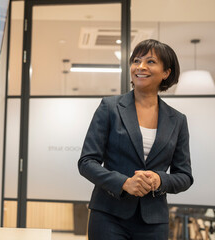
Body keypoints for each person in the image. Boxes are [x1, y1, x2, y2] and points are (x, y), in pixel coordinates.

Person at [78, 39, 193, 240]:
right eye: (136, 60)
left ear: (166, 72)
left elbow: (184, 176)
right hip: (108, 215)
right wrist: (123, 183)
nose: (140, 67)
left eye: (150, 62)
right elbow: (87, 162)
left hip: (154, 221)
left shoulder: (178, 120)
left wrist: (160, 180)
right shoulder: (110, 107)